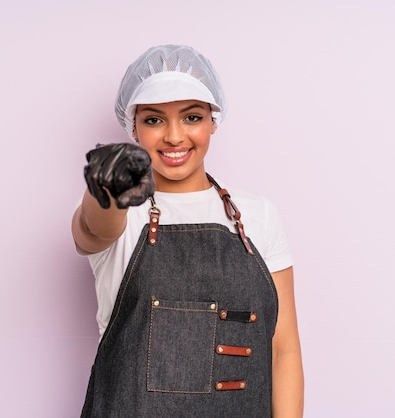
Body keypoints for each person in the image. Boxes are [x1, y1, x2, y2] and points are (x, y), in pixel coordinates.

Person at [72, 44, 304, 417]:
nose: (175, 137)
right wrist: (105, 189)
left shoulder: (258, 216)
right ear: (133, 127)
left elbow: (283, 350)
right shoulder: (122, 212)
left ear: (213, 120)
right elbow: (90, 230)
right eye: (154, 120)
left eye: (192, 117)